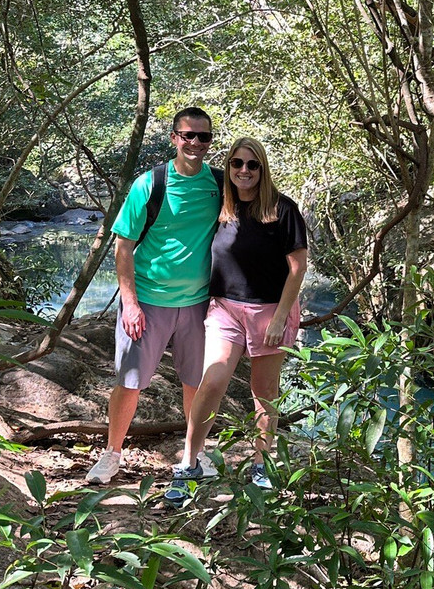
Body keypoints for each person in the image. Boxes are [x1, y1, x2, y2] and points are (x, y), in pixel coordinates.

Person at [165, 137, 307, 503]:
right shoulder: (222, 208)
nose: (244, 171)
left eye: (252, 165)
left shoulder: (282, 210)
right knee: (211, 381)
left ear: (262, 169)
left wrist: (278, 319)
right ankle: (189, 463)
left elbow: (297, 268)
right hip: (225, 308)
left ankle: (262, 464)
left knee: (264, 393)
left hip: (270, 311)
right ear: (228, 167)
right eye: (237, 164)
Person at [86, 107, 222, 484]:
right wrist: (129, 303)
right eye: (188, 135)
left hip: (198, 304)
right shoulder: (151, 183)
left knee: (197, 382)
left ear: (211, 142)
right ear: (174, 138)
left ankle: (195, 453)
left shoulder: (220, 184)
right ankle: (112, 454)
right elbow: (123, 246)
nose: (195, 143)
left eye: (203, 137)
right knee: (130, 381)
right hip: (148, 300)